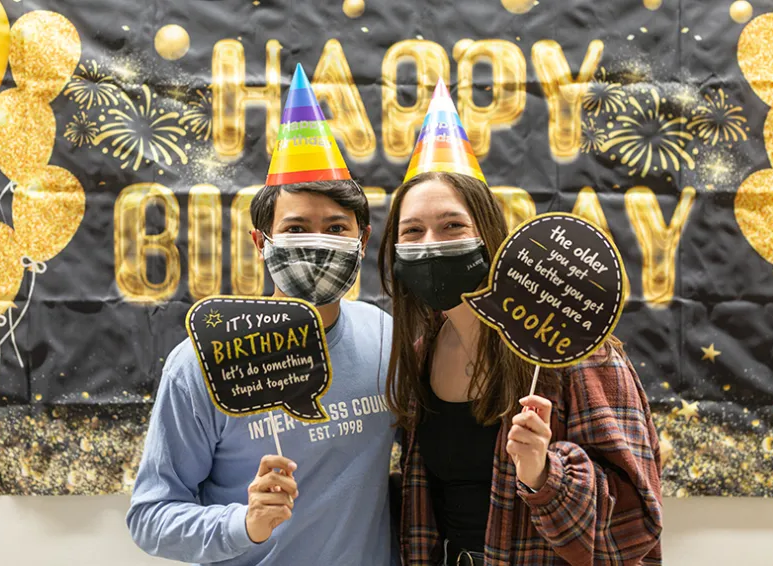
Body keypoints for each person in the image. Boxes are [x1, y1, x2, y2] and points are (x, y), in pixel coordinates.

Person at [378, 80, 663, 566]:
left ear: (488, 235)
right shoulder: (422, 353)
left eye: (452, 226)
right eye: (413, 231)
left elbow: (637, 520)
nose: (431, 243)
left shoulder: (573, 349)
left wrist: (543, 474)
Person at [127, 64, 397, 566]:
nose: (318, 242)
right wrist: (242, 524)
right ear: (261, 242)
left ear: (361, 241)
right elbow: (149, 516)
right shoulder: (199, 364)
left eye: (336, 228)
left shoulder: (386, 339)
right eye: (296, 228)